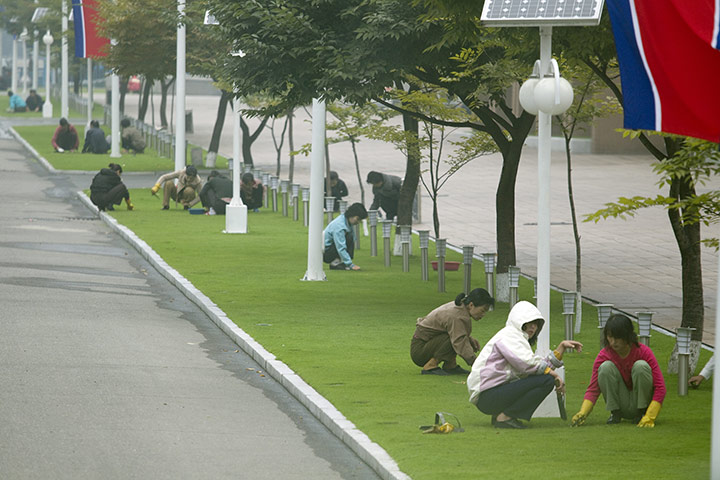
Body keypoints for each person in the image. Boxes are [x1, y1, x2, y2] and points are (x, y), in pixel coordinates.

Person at [467, 301, 583, 429]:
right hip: (487, 396)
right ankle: (505, 417)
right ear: (519, 321)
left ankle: (501, 415)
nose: (533, 327)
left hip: (490, 394)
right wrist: (553, 374)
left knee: (544, 378)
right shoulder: (509, 336)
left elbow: (535, 366)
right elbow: (527, 364)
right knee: (546, 380)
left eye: (536, 324)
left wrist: (560, 349)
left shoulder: (515, 338)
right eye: (530, 323)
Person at [571, 314, 666, 428]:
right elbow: (593, 388)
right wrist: (583, 412)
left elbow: (660, 387)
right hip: (622, 403)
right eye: (610, 337)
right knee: (605, 367)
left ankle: (641, 413)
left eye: (618, 337)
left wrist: (650, 415)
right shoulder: (604, 355)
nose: (613, 342)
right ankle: (615, 414)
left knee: (641, 366)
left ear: (628, 336)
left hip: (642, 403)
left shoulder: (644, 352)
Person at [411, 288, 495, 376]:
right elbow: (460, 341)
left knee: (456, 335)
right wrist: (477, 364)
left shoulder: (460, 307)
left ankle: (450, 365)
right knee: (455, 338)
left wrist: (469, 339)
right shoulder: (457, 316)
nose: (483, 314)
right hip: (419, 351)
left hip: (425, 344)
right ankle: (430, 366)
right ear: (471, 305)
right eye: (482, 310)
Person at [323, 202, 368, 271]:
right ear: (352, 215)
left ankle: (341, 262)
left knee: (350, 237)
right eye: (358, 219)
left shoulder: (345, 221)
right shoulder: (340, 226)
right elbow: (340, 246)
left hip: (332, 247)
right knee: (348, 238)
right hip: (327, 252)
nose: (358, 222)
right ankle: (336, 262)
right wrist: (350, 264)